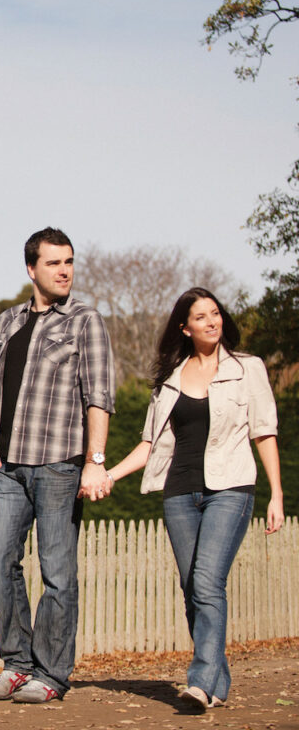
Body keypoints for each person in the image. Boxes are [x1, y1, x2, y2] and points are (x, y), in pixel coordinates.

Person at [92, 286, 284, 711]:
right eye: (201, 316)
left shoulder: (247, 369)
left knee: (207, 581)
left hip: (231, 488)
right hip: (179, 493)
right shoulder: (170, 381)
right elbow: (149, 445)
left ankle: (198, 681)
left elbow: (264, 431)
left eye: (215, 313)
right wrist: (110, 474)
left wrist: (277, 495)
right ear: (185, 327)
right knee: (191, 587)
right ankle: (216, 683)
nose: (212, 321)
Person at [0, 227, 115, 704]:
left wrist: (95, 461)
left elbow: (99, 397)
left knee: (58, 571)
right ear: (31, 268)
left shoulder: (84, 321)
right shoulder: (7, 321)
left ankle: (51, 674)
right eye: (53, 263)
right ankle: (16, 663)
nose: (64, 270)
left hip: (58, 465)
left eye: (69, 261)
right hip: (7, 468)